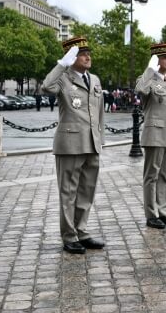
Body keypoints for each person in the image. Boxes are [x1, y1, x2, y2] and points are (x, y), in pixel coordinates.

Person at [41, 37, 105, 254]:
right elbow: (46, 86)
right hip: (69, 144)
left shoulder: (94, 79)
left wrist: (100, 139)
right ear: (72, 57)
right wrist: (62, 64)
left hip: (91, 143)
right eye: (82, 54)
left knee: (87, 190)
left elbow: (100, 113)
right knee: (68, 192)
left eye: (89, 53)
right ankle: (69, 236)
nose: (88, 57)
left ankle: (81, 231)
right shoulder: (63, 78)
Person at [135, 43, 166, 230]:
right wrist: (149, 69)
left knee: (164, 175)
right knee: (151, 175)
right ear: (156, 60)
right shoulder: (147, 79)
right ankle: (151, 214)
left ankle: (162, 210)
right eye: (164, 57)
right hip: (155, 134)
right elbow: (140, 89)